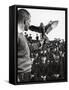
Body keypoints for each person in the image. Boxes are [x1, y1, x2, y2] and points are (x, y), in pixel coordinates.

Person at [17, 9, 32, 82]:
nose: (30, 23)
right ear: (25, 21)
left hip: (25, 74)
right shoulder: (17, 36)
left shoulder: (21, 34)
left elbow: (25, 49)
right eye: (29, 21)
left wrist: (40, 43)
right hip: (21, 75)